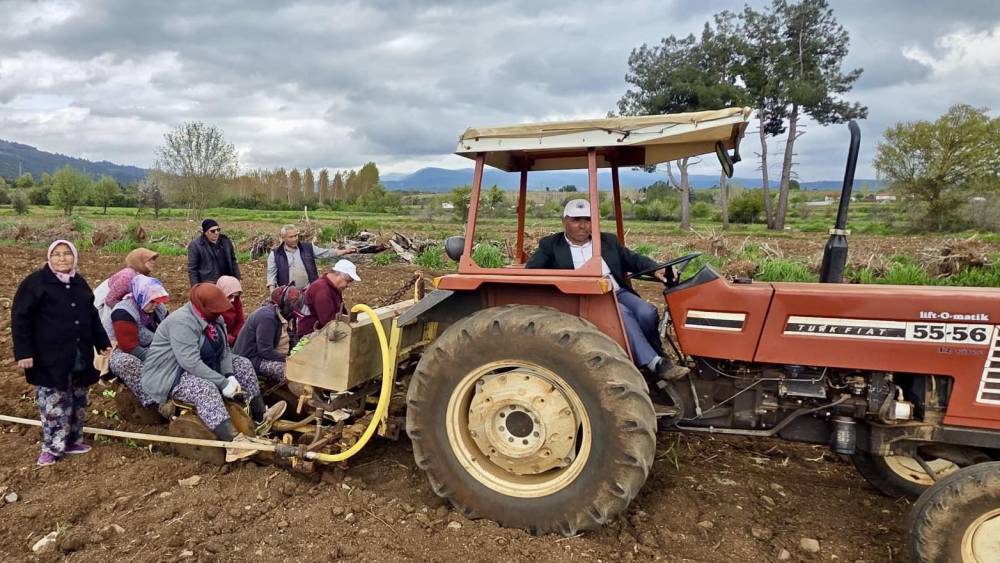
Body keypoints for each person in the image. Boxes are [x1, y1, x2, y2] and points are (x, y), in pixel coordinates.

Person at [526, 199, 690, 380]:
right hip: (586, 298)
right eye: (576, 220)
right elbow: (532, 270)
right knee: (623, 314)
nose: (583, 226)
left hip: (617, 291)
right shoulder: (551, 245)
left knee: (647, 312)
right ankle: (654, 363)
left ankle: (657, 354)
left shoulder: (607, 241)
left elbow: (634, 259)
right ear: (564, 221)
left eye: (588, 220)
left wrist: (656, 268)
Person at [140, 284, 285, 459]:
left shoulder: (215, 319)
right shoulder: (182, 322)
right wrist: (223, 383)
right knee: (204, 388)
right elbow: (190, 362)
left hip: (205, 362)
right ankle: (233, 444)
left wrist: (230, 375)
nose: (219, 313)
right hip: (170, 372)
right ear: (202, 306)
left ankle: (261, 418)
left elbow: (224, 351)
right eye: (215, 310)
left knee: (243, 365)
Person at [11, 240, 113, 467]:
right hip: (49, 356)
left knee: (78, 397)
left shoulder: (79, 283)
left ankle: (73, 441)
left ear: (74, 257)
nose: (62, 258)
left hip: (78, 353)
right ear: (49, 257)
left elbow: (92, 316)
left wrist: (102, 341)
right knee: (53, 401)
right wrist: (24, 352)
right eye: (57, 254)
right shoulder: (35, 283)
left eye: (67, 254)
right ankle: (52, 447)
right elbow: (20, 319)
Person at [105, 275, 170, 406]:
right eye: (152, 301)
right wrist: (160, 360)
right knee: (127, 363)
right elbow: (130, 348)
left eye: (158, 300)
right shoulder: (123, 312)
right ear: (141, 296)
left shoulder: (159, 308)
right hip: (120, 351)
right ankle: (154, 401)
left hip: (151, 348)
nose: (156, 304)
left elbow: (171, 329)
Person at [234, 286, 304, 386]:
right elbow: (265, 351)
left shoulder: (284, 314)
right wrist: (289, 359)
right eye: (294, 304)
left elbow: (292, 337)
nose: (296, 307)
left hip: (266, 356)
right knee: (292, 372)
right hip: (252, 359)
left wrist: (299, 353)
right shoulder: (267, 318)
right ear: (284, 303)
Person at [266, 224, 356, 291]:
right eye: (291, 237)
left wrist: (344, 251)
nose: (295, 239)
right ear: (283, 238)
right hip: (288, 294)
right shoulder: (275, 254)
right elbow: (271, 277)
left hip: (309, 291)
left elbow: (325, 253)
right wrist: (273, 295)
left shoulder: (308, 248)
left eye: (296, 235)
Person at [94, 247, 159, 325]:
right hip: (103, 303)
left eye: (153, 259)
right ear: (139, 261)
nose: (153, 262)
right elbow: (110, 300)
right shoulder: (128, 276)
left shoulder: (142, 275)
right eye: (149, 260)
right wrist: (129, 309)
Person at [297, 260, 360, 338]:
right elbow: (328, 321)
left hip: (323, 329)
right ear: (339, 275)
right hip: (310, 333)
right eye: (348, 281)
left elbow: (341, 312)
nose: (347, 285)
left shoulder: (333, 288)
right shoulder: (321, 290)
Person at [187, 219, 240, 286]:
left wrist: (238, 278)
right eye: (213, 231)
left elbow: (233, 260)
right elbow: (193, 270)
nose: (216, 232)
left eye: (218, 230)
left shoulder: (225, 241)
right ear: (205, 232)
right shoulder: (195, 245)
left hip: (227, 280)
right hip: (209, 284)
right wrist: (195, 287)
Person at [216, 275, 244, 347]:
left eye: (236, 296)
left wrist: (237, 336)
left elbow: (240, 320)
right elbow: (214, 331)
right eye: (230, 296)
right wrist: (231, 340)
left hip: (232, 335)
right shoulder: (213, 306)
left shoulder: (236, 301)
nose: (233, 300)